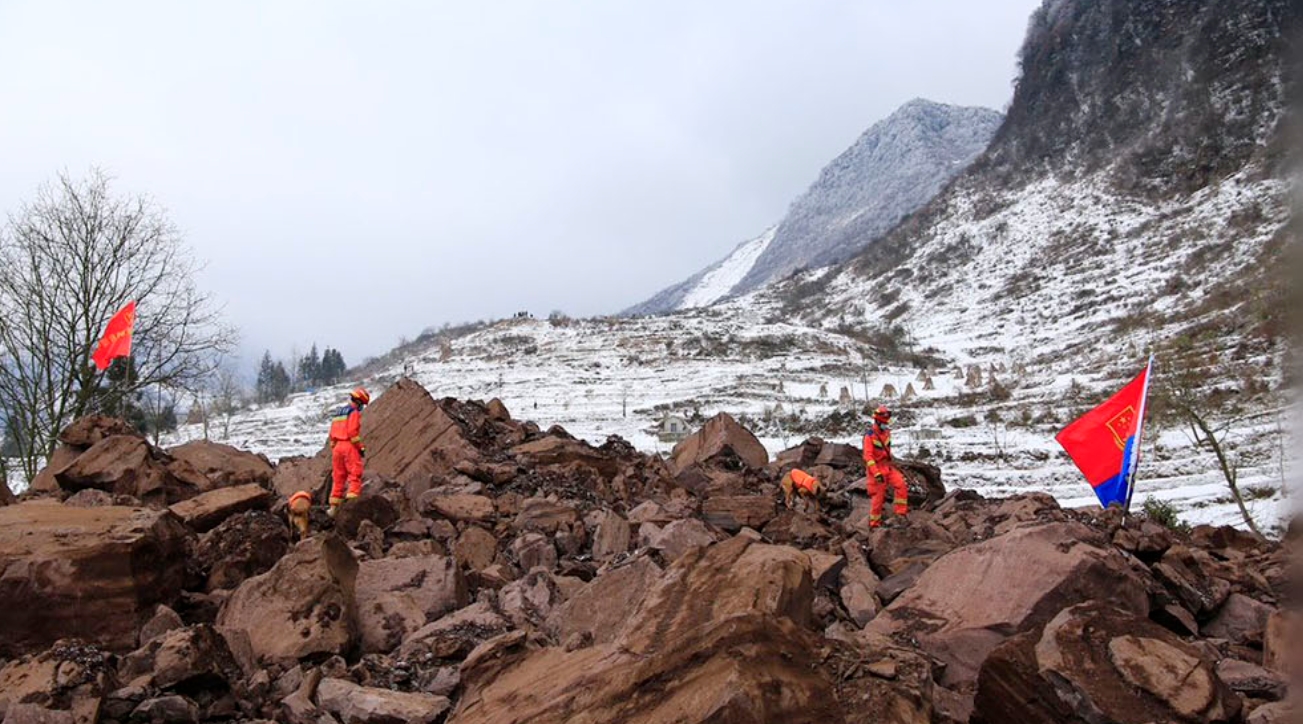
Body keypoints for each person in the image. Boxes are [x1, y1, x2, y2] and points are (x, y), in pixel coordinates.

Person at [327, 387, 370, 517]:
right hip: (348, 446)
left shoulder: (338, 412)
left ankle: (333, 509)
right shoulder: (353, 412)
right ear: (359, 402)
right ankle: (352, 505)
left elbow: (332, 434)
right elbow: (352, 433)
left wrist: (334, 446)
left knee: (338, 477)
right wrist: (360, 447)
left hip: (337, 448)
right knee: (354, 474)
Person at [864, 404, 908, 528]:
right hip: (876, 470)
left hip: (887, 467)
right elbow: (868, 457)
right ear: (877, 421)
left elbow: (887, 451)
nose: (886, 425)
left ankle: (901, 514)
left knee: (901, 484)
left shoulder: (887, 432)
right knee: (878, 499)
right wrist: (876, 472)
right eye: (884, 422)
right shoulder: (869, 436)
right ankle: (874, 525)